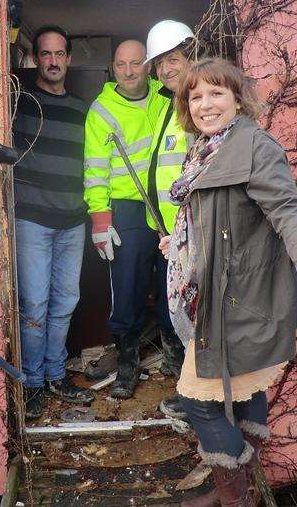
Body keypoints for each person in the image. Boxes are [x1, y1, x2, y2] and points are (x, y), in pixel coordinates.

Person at [159, 59, 297, 507]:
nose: (205, 104)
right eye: (196, 96)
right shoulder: (206, 149)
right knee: (246, 393)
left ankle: (234, 492)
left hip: (242, 298)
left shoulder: (254, 146)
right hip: (216, 295)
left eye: (216, 93)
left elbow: (288, 209)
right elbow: (217, 218)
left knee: (198, 401)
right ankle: (242, 485)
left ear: (237, 97)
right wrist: (183, 242)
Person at [13, 25, 95, 419]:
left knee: (65, 302)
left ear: (68, 59)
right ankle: (31, 383)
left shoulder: (83, 110)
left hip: (72, 221)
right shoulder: (20, 104)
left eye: (59, 54)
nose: (52, 61)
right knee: (34, 304)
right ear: (35, 59)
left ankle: (56, 375)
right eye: (45, 54)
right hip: (32, 220)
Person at [83, 39, 171, 398]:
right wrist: (100, 218)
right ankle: (127, 363)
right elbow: (94, 169)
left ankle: (176, 359)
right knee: (129, 286)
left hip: (167, 204)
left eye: (137, 63)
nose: (130, 71)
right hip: (127, 208)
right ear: (113, 67)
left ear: (148, 65)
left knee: (172, 283)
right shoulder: (101, 111)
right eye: (122, 64)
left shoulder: (167, 99)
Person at [143, 20, 197, 418]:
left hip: (196, 237)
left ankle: (200, 400)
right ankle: (192, 392)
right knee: (177, 313)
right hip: (171, 234)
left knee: (196, 317)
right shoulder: (168, 105)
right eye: (160, 63)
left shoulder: (200, 105)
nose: (166, 69)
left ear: (191, 55)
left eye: (173, 59)